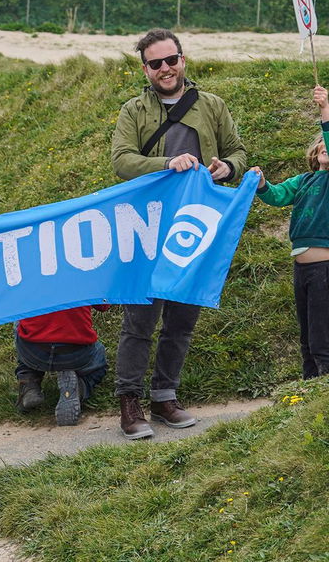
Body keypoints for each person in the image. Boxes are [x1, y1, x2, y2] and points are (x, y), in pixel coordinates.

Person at [110, 29, 246, 439]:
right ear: (145, 68)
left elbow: (238, 151)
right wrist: (167, 163)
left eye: (172, 60)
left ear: (183, 60)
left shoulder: (213, 106)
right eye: (156, 64)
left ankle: (164, 396)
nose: (166, 69)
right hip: (148, 228)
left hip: (197, 228)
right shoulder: (132, 111)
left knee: (182, 318)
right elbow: (122, 161)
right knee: (140, 319)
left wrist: (229, 168)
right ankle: (129, 403)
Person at [249, 85, 329, 380]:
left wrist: (325, 109)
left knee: (322, 335)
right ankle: (311, 385)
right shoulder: (304, 180)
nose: (325, 146)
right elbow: (277, 195)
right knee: (307, 334)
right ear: (314, 152)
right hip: (302, 270)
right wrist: (261, 185)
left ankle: (324, 385)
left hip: (325, 270)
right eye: (321, 144)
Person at [13, 305, 110, 426]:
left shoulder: (29, 284)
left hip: (35, 352)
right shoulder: (86, 284)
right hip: (75, 353)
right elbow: (103, 306)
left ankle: (28, 382)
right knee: (99, 354)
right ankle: (79, 387)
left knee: (19, 322)